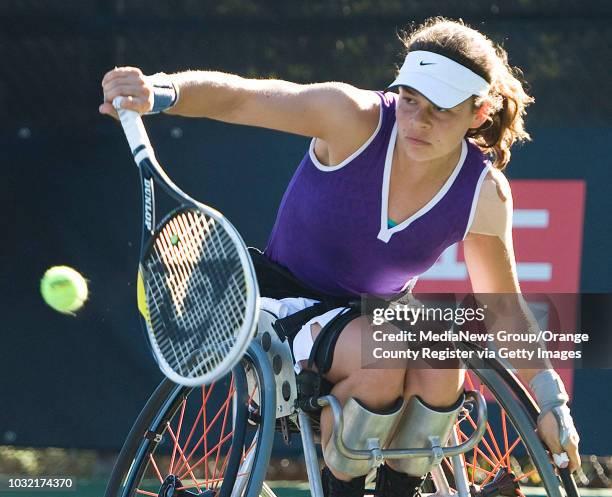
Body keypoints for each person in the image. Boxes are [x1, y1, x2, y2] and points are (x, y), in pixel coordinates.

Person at [100, 17, 580, 497]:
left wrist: (550, 398)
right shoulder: (350, 117)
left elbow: (502, 307)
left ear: (479, 113)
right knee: (383, 359)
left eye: (442, 109)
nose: (419, 121)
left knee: (443, 358)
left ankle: (401, 489)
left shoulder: (484, 193)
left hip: (380, 314)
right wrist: (160, 91)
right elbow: (243, 96)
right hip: (285, 308)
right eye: (411, 101)